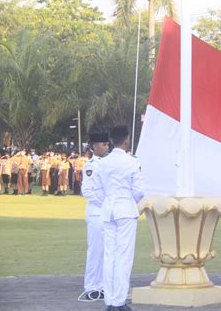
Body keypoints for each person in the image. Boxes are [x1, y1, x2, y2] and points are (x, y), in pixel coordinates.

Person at [95, 125, 143, 311]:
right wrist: (127, 200)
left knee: (109, 256)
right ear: (126, 140)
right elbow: (139, 191)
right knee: (123, 257)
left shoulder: (103, 162)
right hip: (125, 209)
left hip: (108, 210)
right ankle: (119, 301)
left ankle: (110, 302)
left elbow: (99, 189)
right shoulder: (131, 162)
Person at [79, 132, 110, 302]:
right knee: (95, 251)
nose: (106, 147)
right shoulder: (91, 166)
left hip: (107, 213)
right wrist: (105, 204)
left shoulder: (108, 163)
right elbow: (87, 191)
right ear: (95, 146)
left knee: (107, 251)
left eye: (107, 144)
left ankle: (103, 286)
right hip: (97, 213)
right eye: (104, 144)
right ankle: (91, 286)